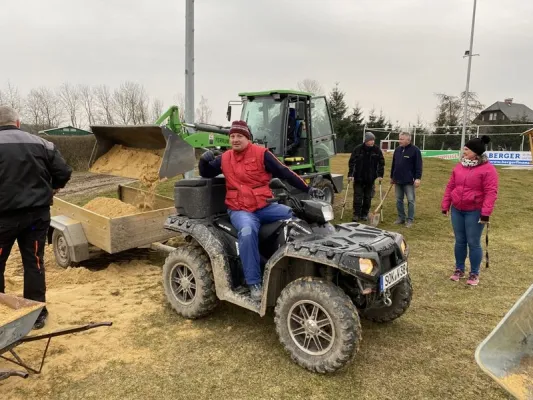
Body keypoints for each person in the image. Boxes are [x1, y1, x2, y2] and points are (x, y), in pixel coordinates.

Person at [199, 120, 323, 301]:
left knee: (293, 215)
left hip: (263, 206)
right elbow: (206, 173)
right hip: (240, 209)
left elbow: (285, 172)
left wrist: (308, 189)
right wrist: (204, 160)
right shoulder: (225, 158)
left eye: (239, 136)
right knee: (247, 232)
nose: (235, 139)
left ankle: (308, 258)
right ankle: (254, 282)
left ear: (247, 138)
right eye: (232, 136)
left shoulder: (262, 154)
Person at [0, 105, 72, 329]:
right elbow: (64, 172)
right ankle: (36, 314)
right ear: (18, 123)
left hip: (3, 219)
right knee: (35, 262)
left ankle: (2, 312)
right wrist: (53, 188)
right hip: (36, 217)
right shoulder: (42, 143)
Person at [441, 135, 498, 286]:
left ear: (476, 152)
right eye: (464, 148)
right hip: (457, 210)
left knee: (473, 242)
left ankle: (474, 273)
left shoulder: (488, 169)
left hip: (475, 211)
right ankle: (459, 269)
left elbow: (491, 192)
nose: (464, 150)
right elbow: (450, 186)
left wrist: (486, 213)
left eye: (467, 149)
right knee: (460, 241)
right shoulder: (459, 166)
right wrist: (446, 204)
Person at [347, 132, 385, 222]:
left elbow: (381, 163)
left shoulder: (376, 150)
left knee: (368, 197)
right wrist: (351, 174)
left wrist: (380, 175)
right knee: (357, 196)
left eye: (373, 140)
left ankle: (364, 213)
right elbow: (352, 162)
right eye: (370, 140)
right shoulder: (358, 149)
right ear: (366, 140)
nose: (372, 142)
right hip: (358, 177)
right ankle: (356, 214)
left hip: (370, 178)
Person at [390, 132, 423, 228]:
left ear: (408, 140)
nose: (399, 141)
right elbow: (394, 165)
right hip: (398, 180)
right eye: (399, 139)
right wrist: (392, 176)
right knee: (399, 200)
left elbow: (418, 166)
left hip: (409, 181)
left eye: (402, 139)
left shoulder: (415, 150)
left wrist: (418, 178)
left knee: (411, 200)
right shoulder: (397, 150)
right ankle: (401, 218)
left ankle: (410, 219)